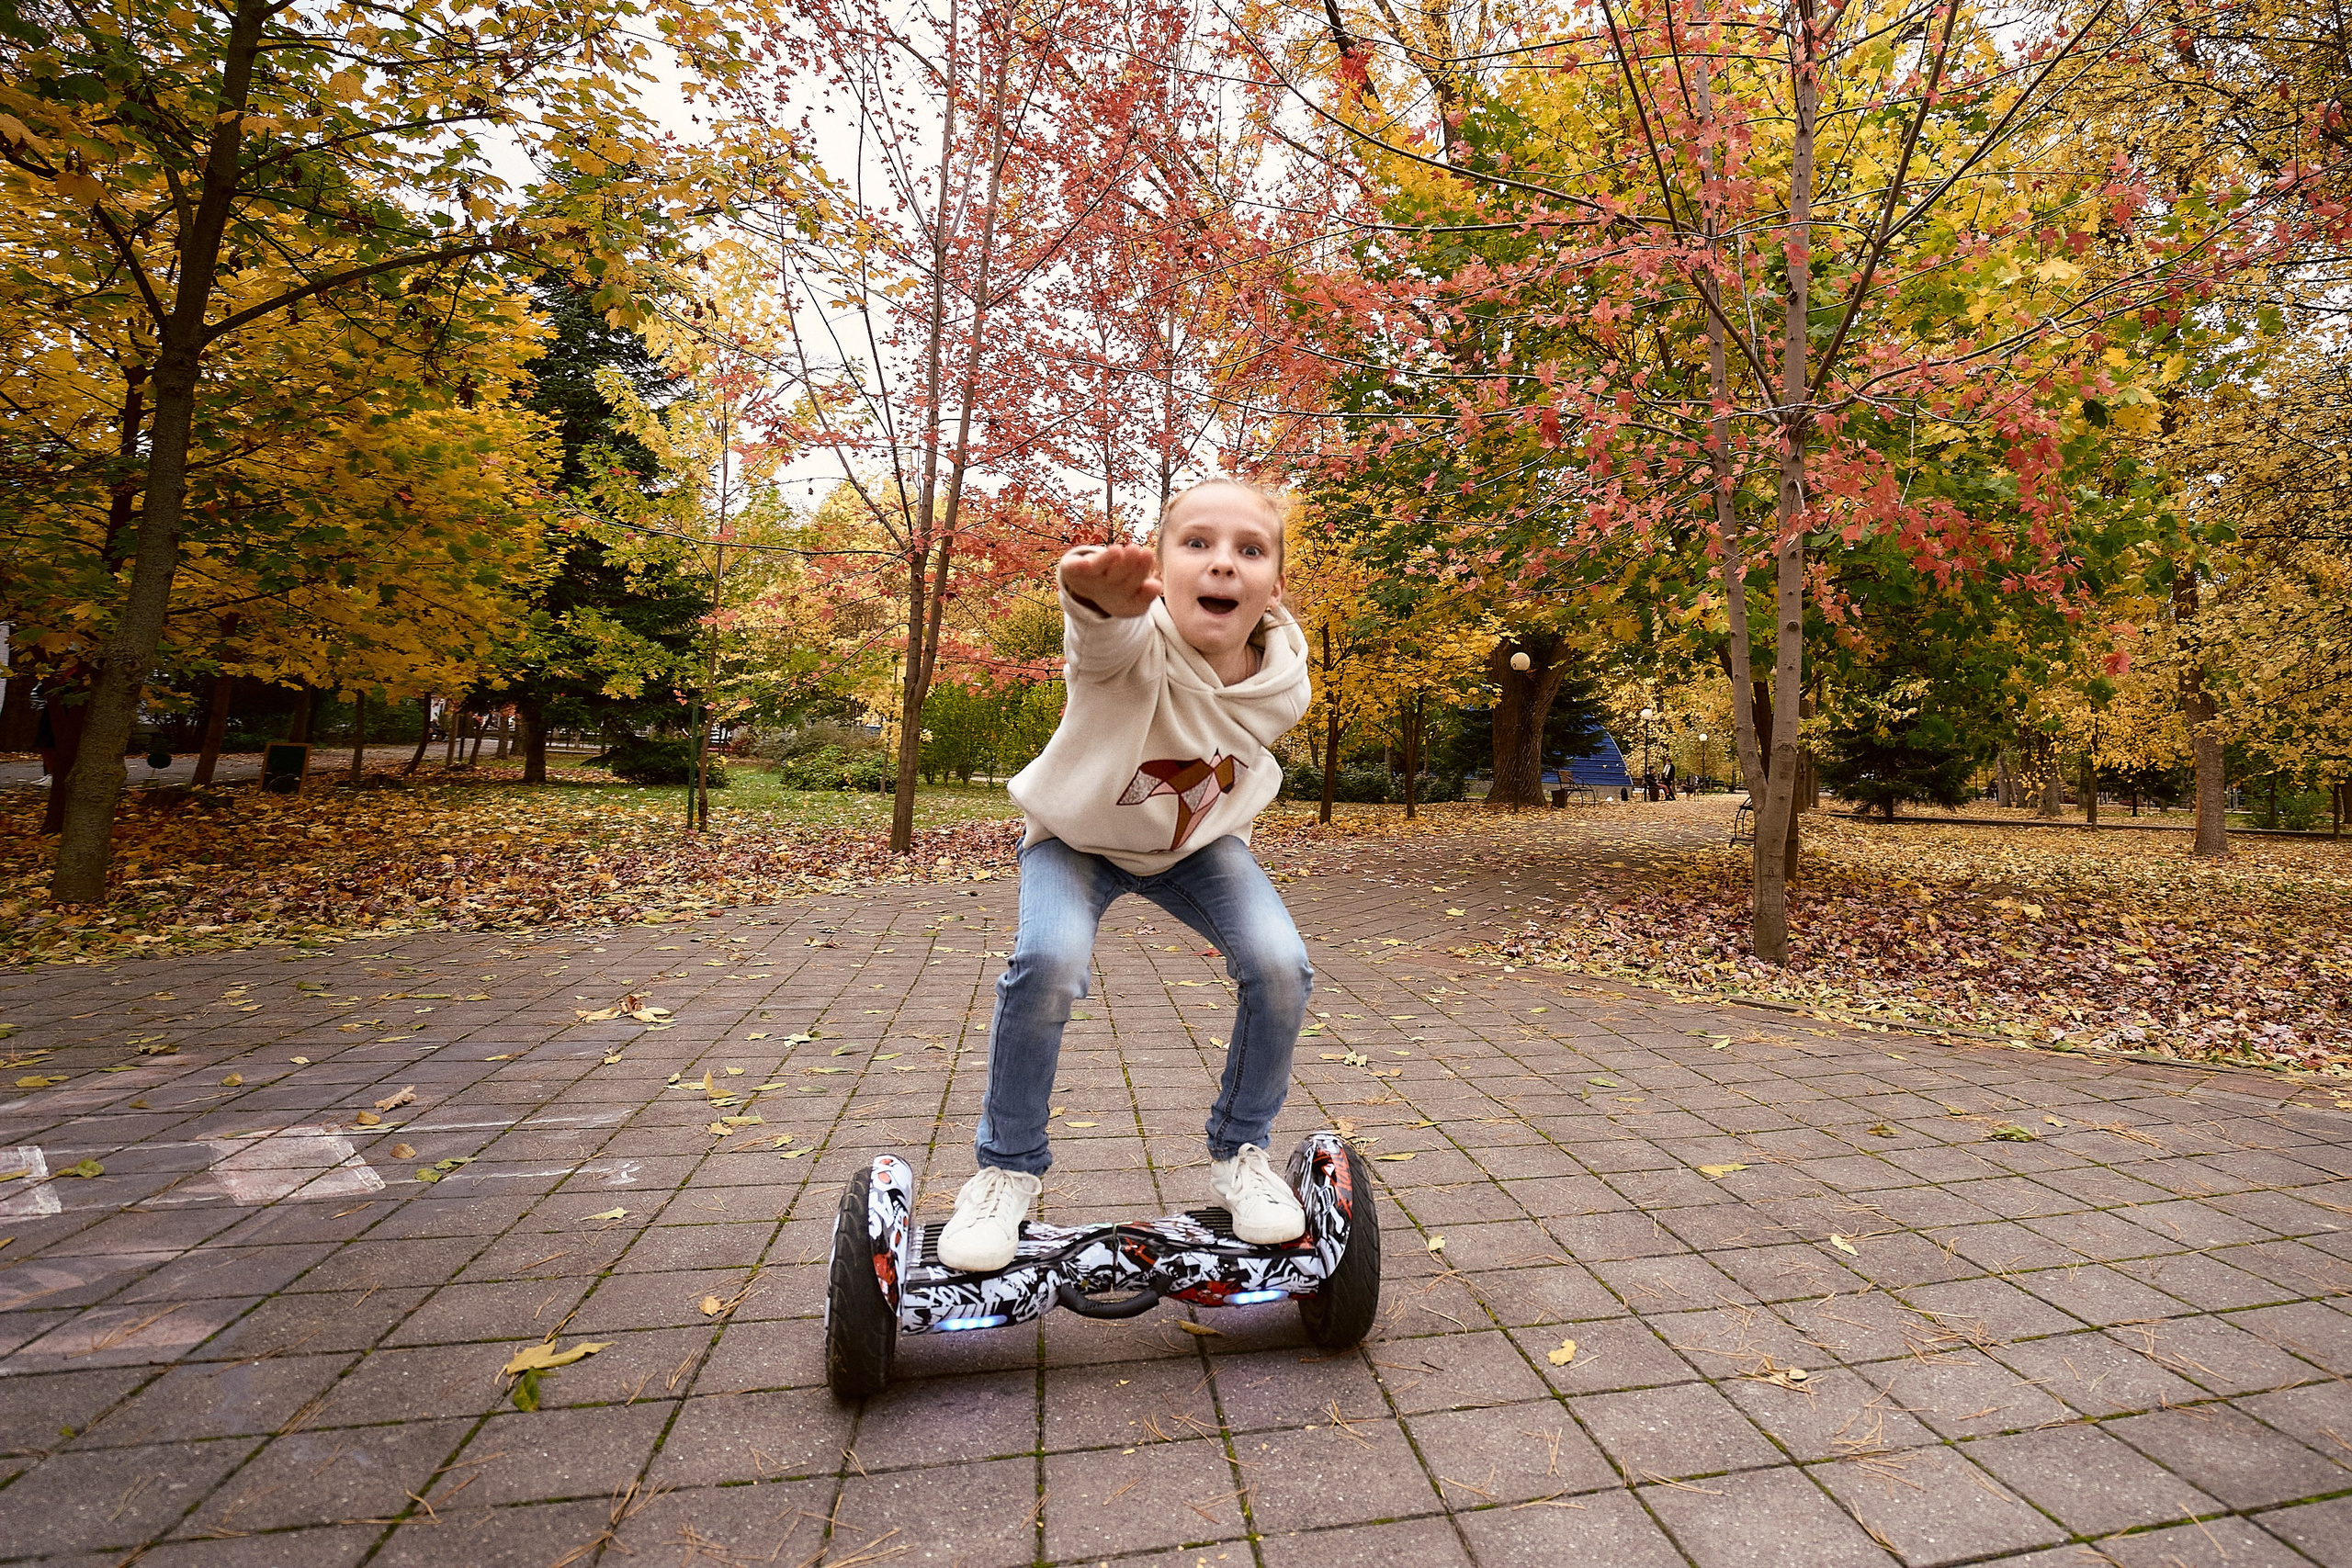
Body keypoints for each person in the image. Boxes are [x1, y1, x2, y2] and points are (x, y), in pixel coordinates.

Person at [937, 479, 1315, 1271]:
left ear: (1274, 587)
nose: (1222, 564)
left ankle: (1242, 1152)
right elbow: (1098, 643)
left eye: (1249, 551)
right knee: (1050, 961)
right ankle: (1006, 1169)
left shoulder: (1285, 688)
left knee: (1281, 965)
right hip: (1077, 839)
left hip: (1194, 847)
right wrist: (1089, 598)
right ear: (1162, 570)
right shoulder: (1131, 643)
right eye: (1198, 544)